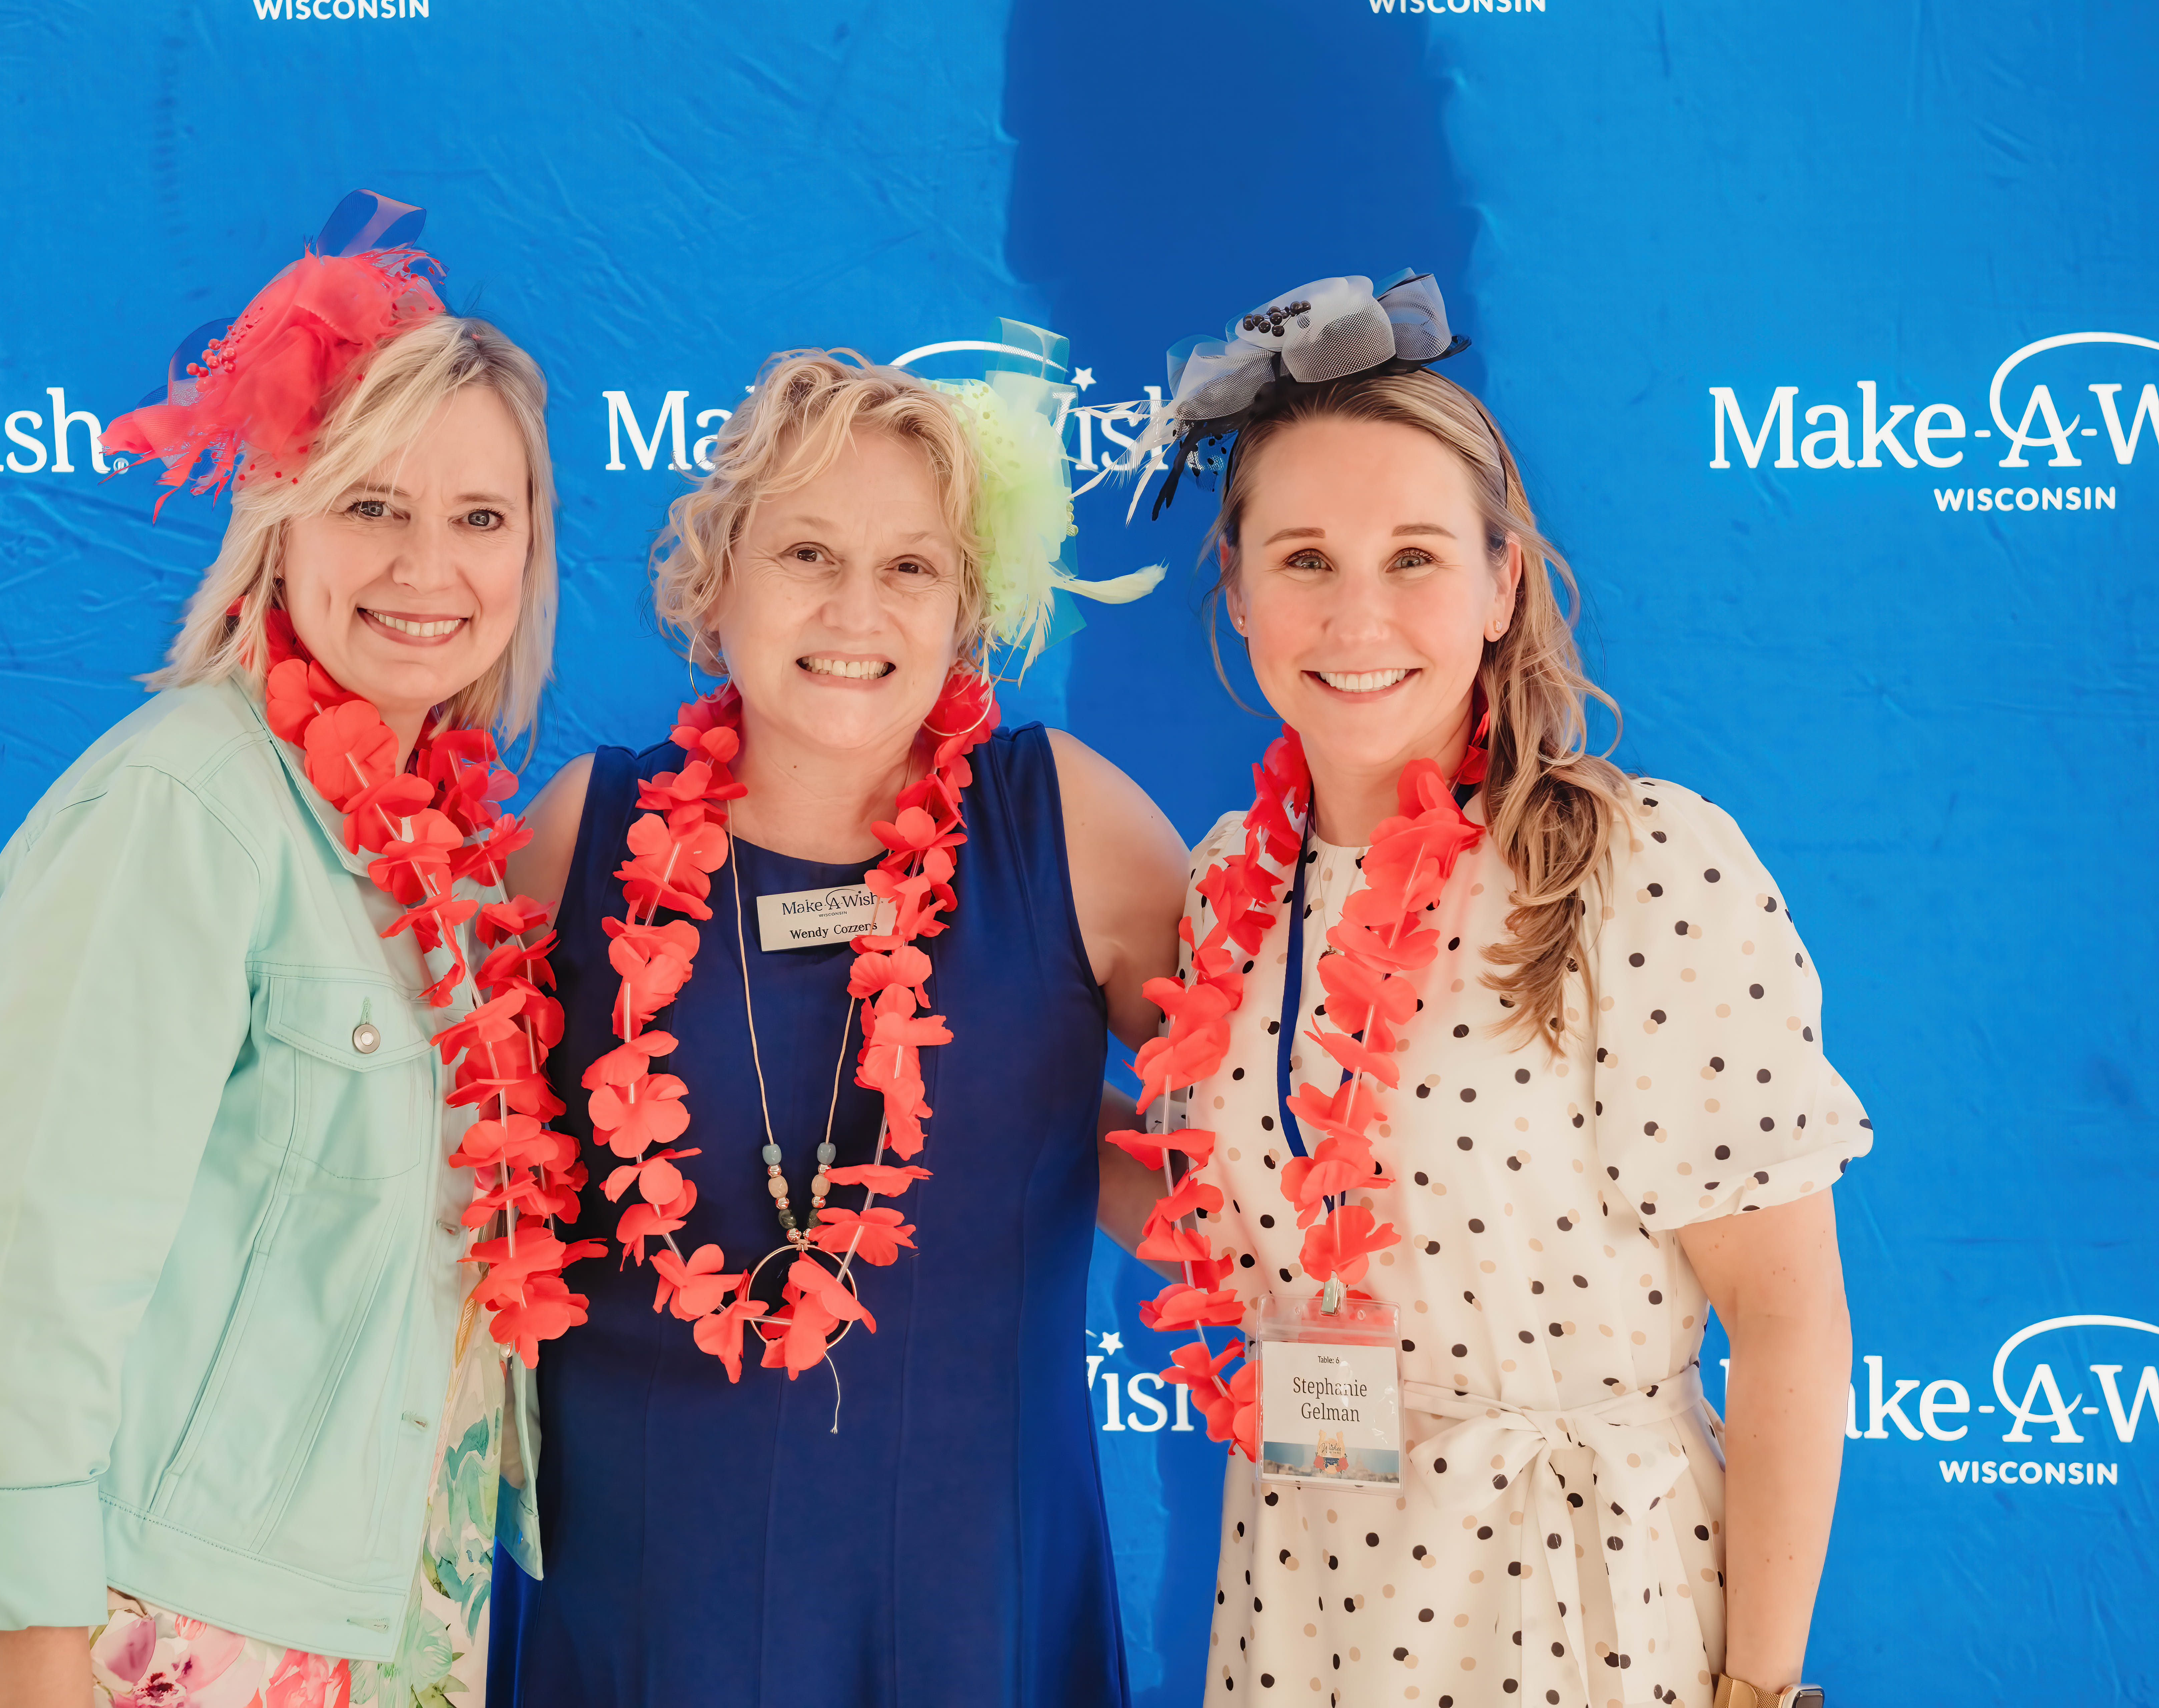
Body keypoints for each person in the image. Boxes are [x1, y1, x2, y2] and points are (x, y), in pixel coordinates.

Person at [1110, 275, 1864, 1708]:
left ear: (1502, 584)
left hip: (1573, 1602)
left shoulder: (1635, 869)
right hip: (1307, 1590)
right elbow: (1222, 1213)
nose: (1357, 614)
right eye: (1306, 558)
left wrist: (1762, 1691)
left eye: (1413, 556)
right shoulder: (1226, 890)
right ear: (1239, 586)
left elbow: (1788, 1317)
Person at [0, 195, 563, 1708]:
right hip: (143, 1632)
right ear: (281, 519)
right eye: (373, 503)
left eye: (479, 518)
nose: (427, 566)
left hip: (381, 1618)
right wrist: (35, 1672)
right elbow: (17, 1278)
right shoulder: (183, 805)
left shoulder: (431, 851)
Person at [485, 331, 1188, 1707]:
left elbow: (1227, 1156)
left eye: (910, 566)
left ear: (963, 604)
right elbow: (456, 1182)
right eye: (808, 554)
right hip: (641, 1616)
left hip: (971, 1607)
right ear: (719, 577)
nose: (856, 610)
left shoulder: (1063, 823)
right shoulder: (581, 834)